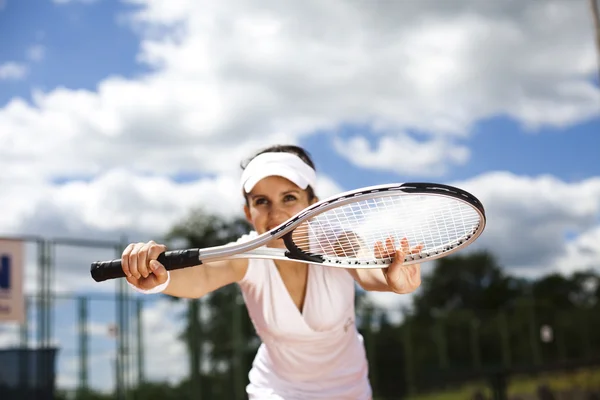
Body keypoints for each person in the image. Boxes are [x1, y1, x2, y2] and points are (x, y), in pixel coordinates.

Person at [121, 144, 423, 400]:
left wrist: (391, 278)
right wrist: (158, 277)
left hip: (349, 389)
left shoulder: (339, 243)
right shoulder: (244, 254)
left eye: (289, 198)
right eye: (261, 202)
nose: (275, 213)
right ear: (248, 212)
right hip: (276, 391)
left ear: (313, 205)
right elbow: (201, 278)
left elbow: (366, 267)